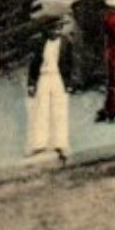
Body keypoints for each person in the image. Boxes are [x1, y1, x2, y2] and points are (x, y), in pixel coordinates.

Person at [27, 19, 74, 160]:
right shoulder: (40, 43)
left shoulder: (66, 43)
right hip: (44, 77)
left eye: (59, 28)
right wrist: (31, 83)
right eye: (53, 29)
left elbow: (71, 64)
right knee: (41, 109)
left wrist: (70, 83)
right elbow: (34, 64)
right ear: (47, 30)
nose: (57, 32)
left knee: (60, 110)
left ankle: (61, 143)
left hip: (59, 78)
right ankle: (39, 143)